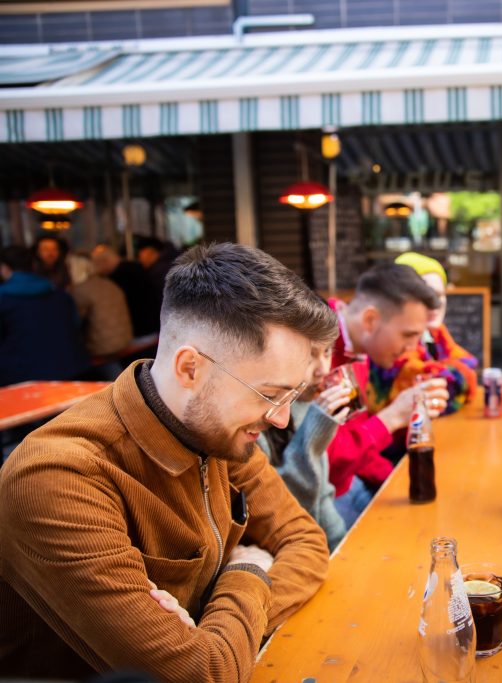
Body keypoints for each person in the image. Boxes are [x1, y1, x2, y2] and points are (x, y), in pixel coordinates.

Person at [0, 243, 337, 681]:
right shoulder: (57, 479)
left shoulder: (216, 431)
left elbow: (307, 543)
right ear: (190, 368)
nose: (281, 417)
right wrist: (248, 570)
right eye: (270, 395)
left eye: (290, 395)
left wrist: (211, 625)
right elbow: (199, 672)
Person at [326, 263, 449, 526]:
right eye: (408, 335)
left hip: (352, 485)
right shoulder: (317, 346)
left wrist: (396, 479)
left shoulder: (360, 348)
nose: (411, 349)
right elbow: (326, 464)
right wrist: (393, 416)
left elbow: (355, 436)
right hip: (324, 501)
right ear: (370, 320)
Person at [257, 342, 351, 551]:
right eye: (309, 356)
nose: (324, 369)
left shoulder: (303, 402)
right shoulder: (256, 422)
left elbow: (321, 493)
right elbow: (281, 509)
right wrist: (313, 436)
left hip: (321, 540)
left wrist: (340, 543)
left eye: (327, 352)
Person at [366, 252, 478, 416]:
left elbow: (467, 364)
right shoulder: (394, 339)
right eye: (426, 296)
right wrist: (453, 373)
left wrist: (451, 375)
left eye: (440, 295)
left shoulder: (436, 333)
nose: (435, 305)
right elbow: (428, 392)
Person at [0, 245, 90, 385]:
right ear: (33, 265)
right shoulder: (60, 295)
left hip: (21, 378)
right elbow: (76, 325)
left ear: (4, 268)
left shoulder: (3, 299)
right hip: (70, 369)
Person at [67, 252, 134, 360]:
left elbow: (74, 322)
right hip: (124, 339)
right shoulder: (107, 282)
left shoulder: (79, 291)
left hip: (103, 347)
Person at [92, 244, 161, 337]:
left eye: (97, 265)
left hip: (140, 328)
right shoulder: (136, 267)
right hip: (154, 324)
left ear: (105, 262)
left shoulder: (117, 278)